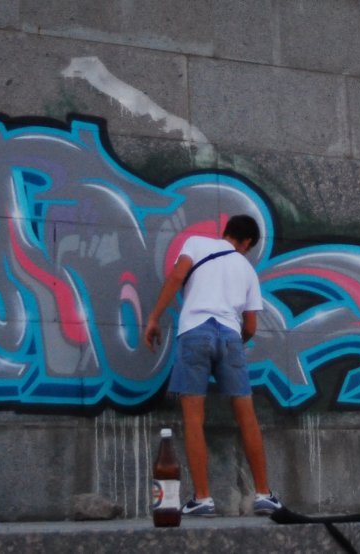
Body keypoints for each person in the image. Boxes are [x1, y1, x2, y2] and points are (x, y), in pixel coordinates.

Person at [142, 214, 281, 517]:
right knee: (247, 416)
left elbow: (176, 277)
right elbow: (251, 326)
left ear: (226, 232)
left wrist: (153, 317)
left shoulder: (196, 243)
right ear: (247, 242)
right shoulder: (247, 269)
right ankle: (263, 494)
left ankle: (202, 499)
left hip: (195, 331)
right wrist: (234, 344)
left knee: (194, 419)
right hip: (230, 335)